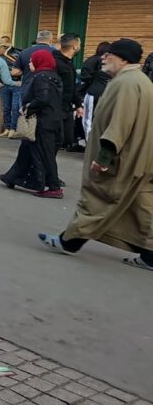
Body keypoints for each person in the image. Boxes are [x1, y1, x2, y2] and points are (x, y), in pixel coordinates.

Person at [38, 38, 153, 271]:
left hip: (122, 160)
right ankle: (150, 255)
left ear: (122, 58)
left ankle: (69, 241)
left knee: (98, 199)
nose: (103, 58)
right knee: (142, 206)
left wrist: (104, 158)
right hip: (141, 159)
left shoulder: (127, 84)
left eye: (108, 54)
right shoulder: (140, 81)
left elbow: (120, 123)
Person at [0, 48, 63, 198]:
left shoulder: (41, 77)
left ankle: (54, 187)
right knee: (27, 150)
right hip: (51, 119)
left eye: (31, 60)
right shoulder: (54, 76)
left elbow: (43, 98)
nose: (29, 63)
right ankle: (13, 177)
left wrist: (27, 106)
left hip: (41, 121)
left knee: (44, 153)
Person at [53, 33, 83, 151]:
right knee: (55, 142)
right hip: (56, 108)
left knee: (65, 139)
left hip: (66, 108)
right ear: (75, 46)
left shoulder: (68, 63)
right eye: (79, 43)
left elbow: (72, 86)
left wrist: (78, 105)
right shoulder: (56, 62)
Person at [79, 41, 112, 140]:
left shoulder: (91, 60)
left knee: (89, 120)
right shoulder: (109, 64)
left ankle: (89, 145)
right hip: (106, 94)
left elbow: (84, 77)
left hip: (93, 93)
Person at [0, 36, 23, 138]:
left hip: (17, 84)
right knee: (6, 108)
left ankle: (14, 129)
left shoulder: (18, 53)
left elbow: (22, 69)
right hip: (5, 84)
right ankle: (7, 128)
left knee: (15, 107)